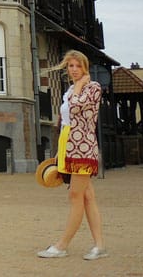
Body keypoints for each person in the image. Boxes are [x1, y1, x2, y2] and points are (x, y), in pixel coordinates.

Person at [37, 49, 107, 261]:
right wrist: (60, 153)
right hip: (69, 146)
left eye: (78, 66)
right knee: (87, 196)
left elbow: (76, 108)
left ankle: (61, 246)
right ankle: (99, 246)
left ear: (85, 67)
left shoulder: (93, 88)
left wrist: (78, 86)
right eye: (71, 66)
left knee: (75, 196)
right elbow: (64, 122)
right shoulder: (69, 91)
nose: (74, 70)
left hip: (83, 148)